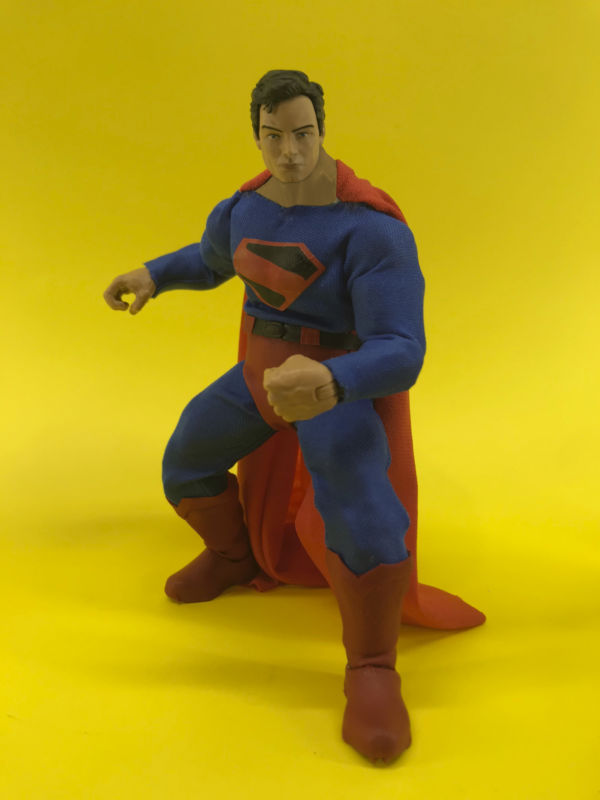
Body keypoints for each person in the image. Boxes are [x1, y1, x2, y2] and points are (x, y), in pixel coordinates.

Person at [104, 70, 485, 765]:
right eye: (273, 136)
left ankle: (372, 665)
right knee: (186, 459)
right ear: (257, 135)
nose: (289, 152)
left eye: (303, 134)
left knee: (367, 516)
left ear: (322, 130)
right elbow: (212, 261)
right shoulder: (243, 209)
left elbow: (402, 347)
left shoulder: (370, 231)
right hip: (256, 379)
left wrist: (334, 380)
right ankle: (233, 556)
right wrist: (153, 275)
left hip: (332, 394)